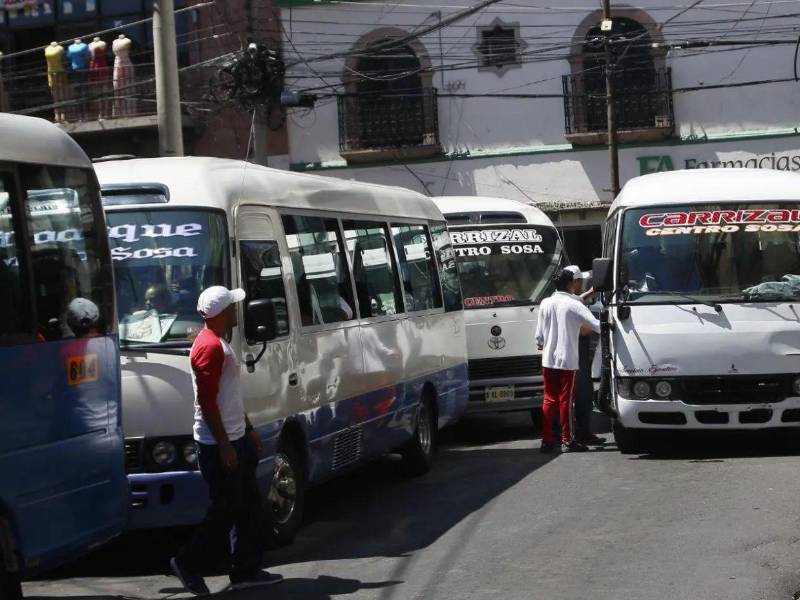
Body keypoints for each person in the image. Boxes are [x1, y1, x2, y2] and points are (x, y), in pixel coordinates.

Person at [171, 286, 282, 595]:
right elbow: (207, 403)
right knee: (226, 510)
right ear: (221, 314)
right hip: (220, 444)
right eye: (231, 307)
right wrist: (224, 445)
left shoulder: (219, 342)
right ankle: (188, 563)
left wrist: (247, 430)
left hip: (235, 439)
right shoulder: (209, 347)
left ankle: (246, 569)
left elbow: (229, 397)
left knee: (248, 507)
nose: (236, 311)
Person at [535, 266, 601, 453]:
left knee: (549, 400)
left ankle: (547, 440)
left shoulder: (546, 302)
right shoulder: (574, 305)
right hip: (567, 361)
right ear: (572, 283)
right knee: (566, 400)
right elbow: (597, 326)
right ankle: (567, 440)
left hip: (548, 359)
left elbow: (539, 337)